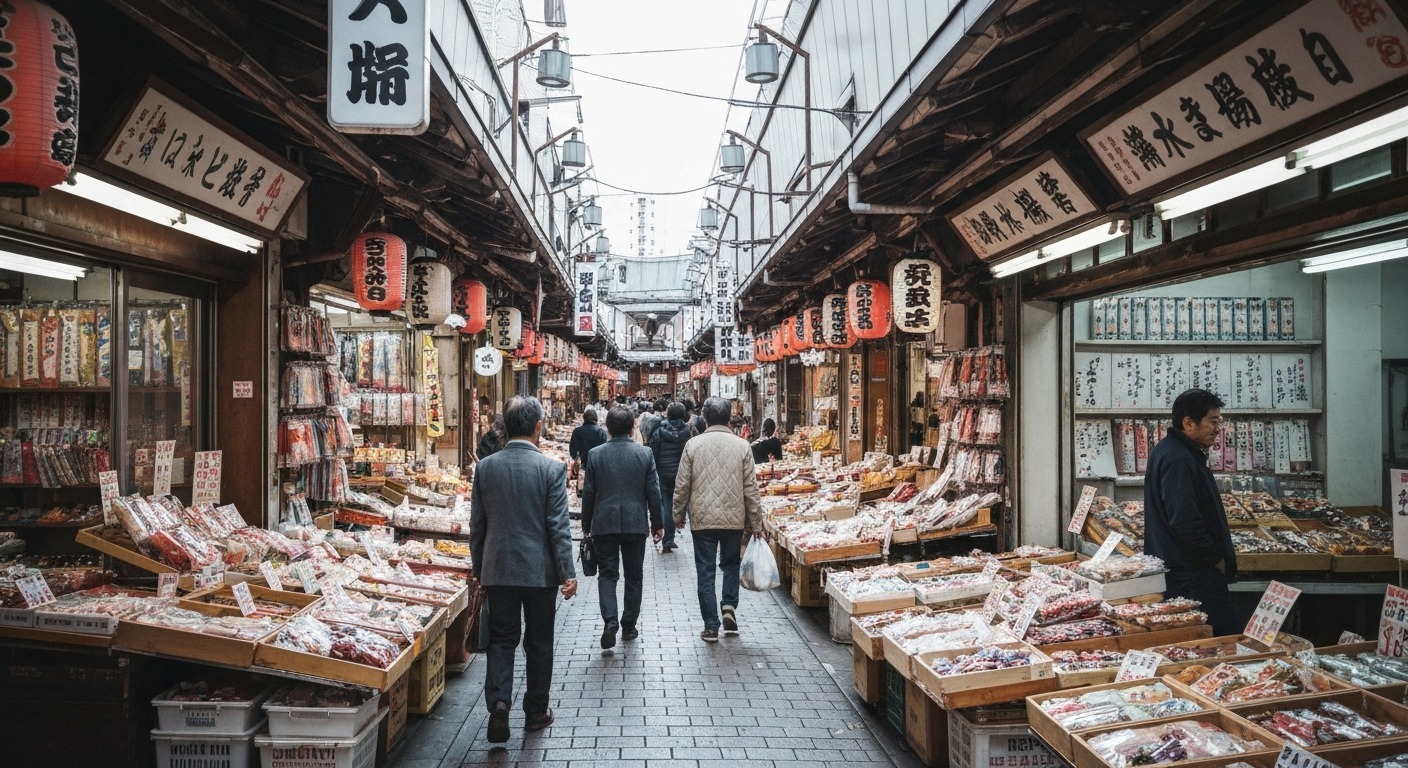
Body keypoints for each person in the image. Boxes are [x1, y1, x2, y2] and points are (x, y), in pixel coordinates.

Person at [469, 396, 577, 743]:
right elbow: (558, 526)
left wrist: (478, 567)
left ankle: (500, 703)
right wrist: (567, 572)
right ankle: (535, 712)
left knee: (501, 640)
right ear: (537, 427)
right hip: (540, 571)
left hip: (498, 568)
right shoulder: (551, 468)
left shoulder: (485, 468)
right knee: (539, 641)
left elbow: (477, 526)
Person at [1144, 388, 1239, 636]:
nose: (1218, 429)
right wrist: (1215, 559)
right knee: (1222, 640)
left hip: (1183, 571)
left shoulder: (1172, 450)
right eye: (1213, 421)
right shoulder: (1179, 458)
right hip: (1193, 576)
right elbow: (1184, 520)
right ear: (1188, 423)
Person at [672, 397, 764, 642]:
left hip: (702, 518)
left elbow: (682, 485)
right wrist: (756, 523)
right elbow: (751, 489)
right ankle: (729, 607)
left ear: (704, 417)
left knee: (705, 570)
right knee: (731, 564)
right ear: (728, 417)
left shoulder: (693, 445)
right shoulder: (742, 446)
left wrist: (677, 513)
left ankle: (711, 626)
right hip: (734, 518)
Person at [581, 407, 664, 648]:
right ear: (632, 427)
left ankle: (610, 621)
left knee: (607, 574)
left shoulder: (595, 455)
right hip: (635, 522)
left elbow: (588, 493)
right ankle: (629, 625)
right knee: (634, 575)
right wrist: (657, 523)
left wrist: (587, 524)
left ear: (607, 427)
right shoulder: (644, 454)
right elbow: (653, 492)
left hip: (604, 522)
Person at [649, 402, 691, 553]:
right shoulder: (687, 432)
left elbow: (654, 452)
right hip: (681, 473)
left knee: (666, 504)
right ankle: (670, 537)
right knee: (677, 504)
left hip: (663, 473)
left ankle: (667, 538)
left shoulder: (659, 431)